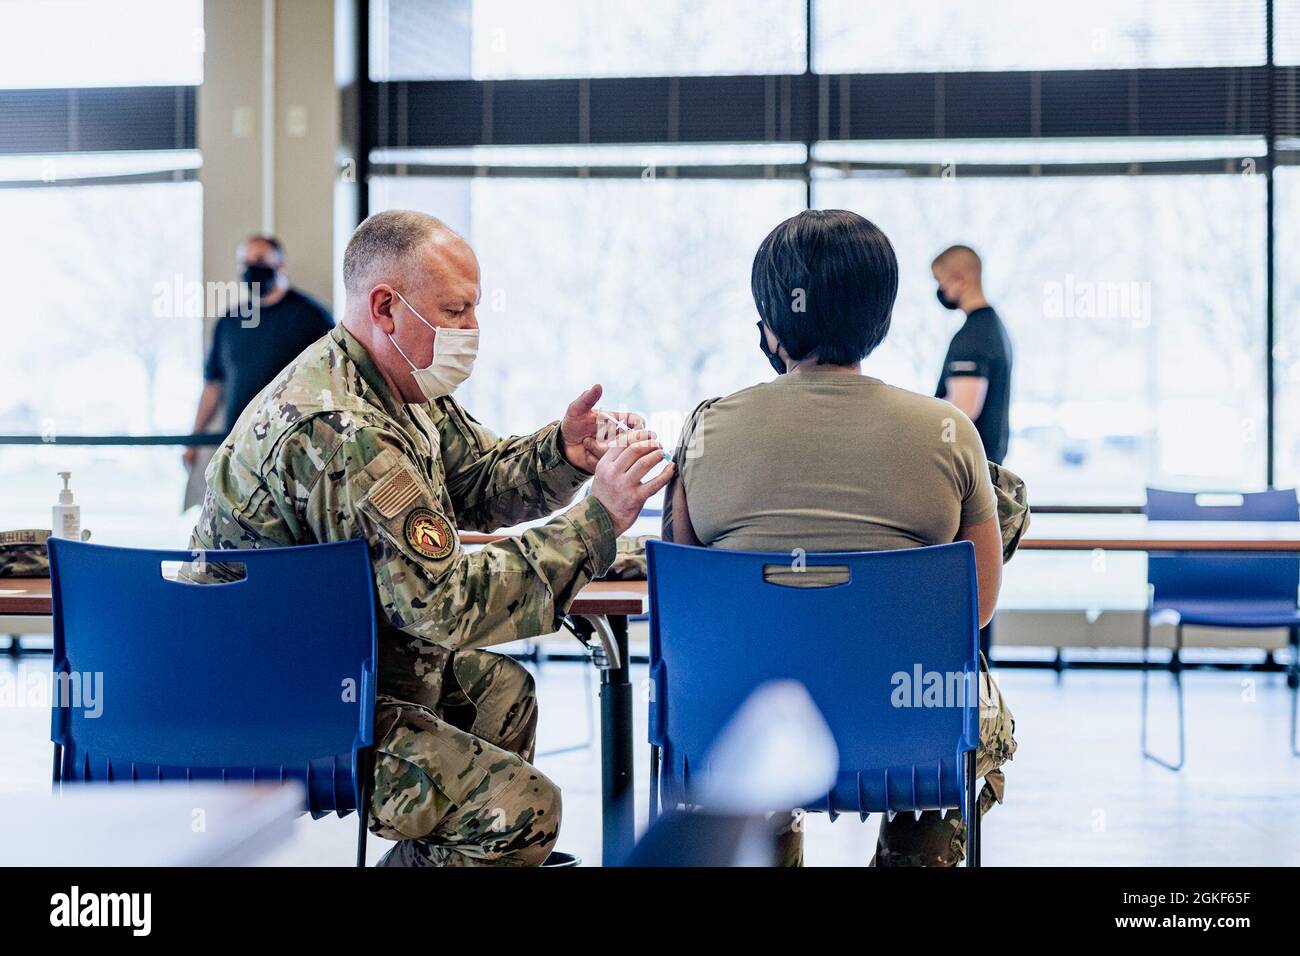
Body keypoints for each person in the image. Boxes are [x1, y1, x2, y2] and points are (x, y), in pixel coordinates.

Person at [189, 210, 672, 866]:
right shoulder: (341, 428)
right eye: (456, 310)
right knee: (521, 809)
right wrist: (598, 520)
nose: (473, 330)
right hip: (285, 702)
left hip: (336, 661)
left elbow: (477, 475)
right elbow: (443, 604)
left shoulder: (393, 383)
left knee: (500, 694)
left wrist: (566, 451)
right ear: (386, 307)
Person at [662, 209, 1022, 867]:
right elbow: (979, 609)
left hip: (738, 726)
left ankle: (766, 841)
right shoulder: (947, 432)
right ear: (880, 317)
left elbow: (686, 606)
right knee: (966, 705)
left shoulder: (705, 431)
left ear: (768, 322)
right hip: (907, 732)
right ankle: (920, 850)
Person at [183, 235, 335, 470]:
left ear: (280, 263)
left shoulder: (312, 317)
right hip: (239, 449)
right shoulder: (229, 322)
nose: (252, 267)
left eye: (260, 259)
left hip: (293, 449)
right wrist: (194, 439)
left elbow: (332, 379)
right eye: (245, 262)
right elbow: (213, 386)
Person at [931, 245, 1013, 465]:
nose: (940, 289)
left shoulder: (973, 337)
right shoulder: (993, 327)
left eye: (940, 281)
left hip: (969, 475)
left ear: (959, 280)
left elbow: (961, 411)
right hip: (985, 470)